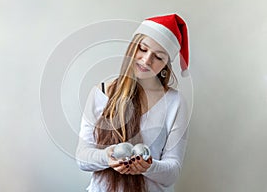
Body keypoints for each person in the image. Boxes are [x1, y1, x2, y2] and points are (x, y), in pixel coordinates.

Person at [76, 13, 190, 192]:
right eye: (143, 49)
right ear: (132, 48)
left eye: (158, 57)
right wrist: (108, 156)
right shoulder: (101, 93)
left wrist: (149, 167)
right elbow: (82, 157)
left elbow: (173, 171)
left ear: (166, 64)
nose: (146, 60)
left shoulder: (175, 103)